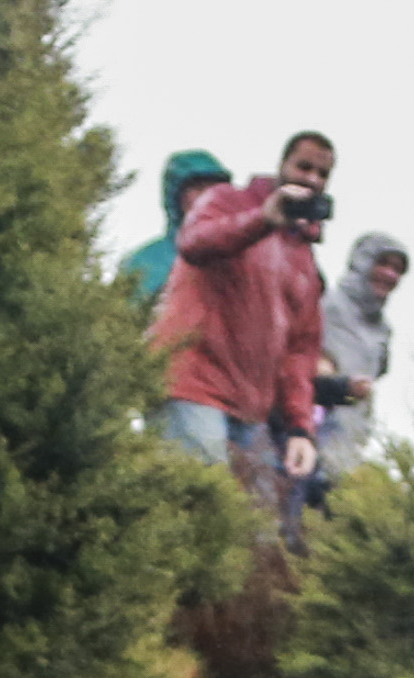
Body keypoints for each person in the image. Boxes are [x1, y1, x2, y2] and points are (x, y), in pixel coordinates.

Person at [154, 131, 334, 518]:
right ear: (282, 167)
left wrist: (301, 428)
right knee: (197, 507)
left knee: (245, 525)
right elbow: (195, 241)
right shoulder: (226, 202)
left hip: (248, 409)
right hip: (192, 383)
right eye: (304, 166)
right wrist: (263, 219)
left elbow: (301, 351)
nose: (313, 179)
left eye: (322, 173)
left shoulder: (303, 259)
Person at [304, 231, 408, 514]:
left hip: (349, 446)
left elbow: (379, 372)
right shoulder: (326, 307)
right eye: (383, 263)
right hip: (309, 436)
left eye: (398, 269)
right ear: (362, 262)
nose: (390, 275)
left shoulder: (383, 331)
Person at [119, 148, 225, 314]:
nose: (208, 196)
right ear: (178, 196)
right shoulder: (144, 261)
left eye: (215, 189)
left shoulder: (245, 255)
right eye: (198, 188)